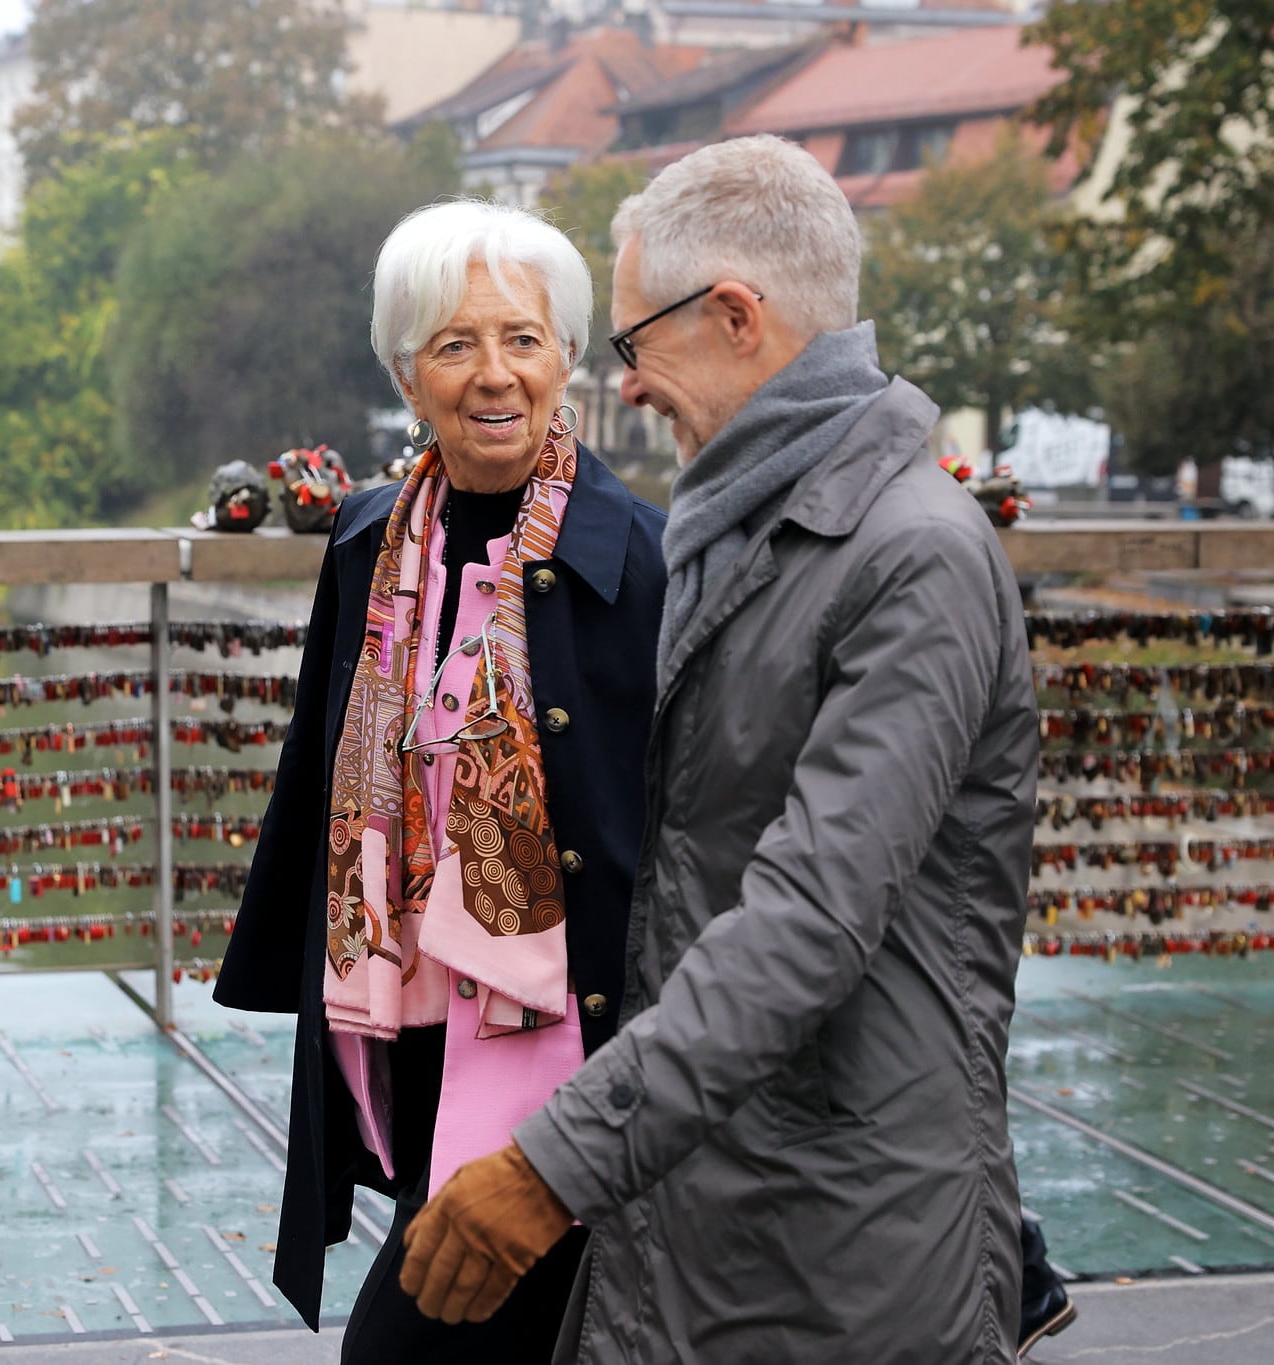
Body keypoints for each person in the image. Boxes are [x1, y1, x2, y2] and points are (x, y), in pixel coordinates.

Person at [397, 134, 1061, 1362]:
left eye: (636, 344)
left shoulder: (912, 555)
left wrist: (552, 1167)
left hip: (845, 1235)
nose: (630, 387)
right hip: (716, 1197)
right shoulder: (745, 529)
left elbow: (807, 920)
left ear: (737, 316)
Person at [212, 199, 668, 1361]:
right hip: (404, 1015)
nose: (493, 374)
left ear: (568, 356)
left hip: (571, 1049)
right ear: (406, 376)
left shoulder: (646, 561)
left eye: (522, 337)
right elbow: (322, 777)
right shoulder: (366, 542)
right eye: (453, 344)